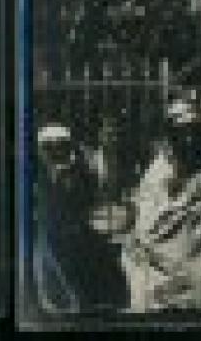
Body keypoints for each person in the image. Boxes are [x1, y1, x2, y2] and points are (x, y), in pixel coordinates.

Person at [122, 95, 201, 311]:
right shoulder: (159, 174)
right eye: (181, 132)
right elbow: (148, 232)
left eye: (195, 131)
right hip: (172, 297)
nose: (189, 139)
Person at [31, 124, 127, 313]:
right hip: (51, 239)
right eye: (51, 147)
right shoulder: (39, 178)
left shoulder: (80, 172)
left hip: (76, 238)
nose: (57, 152)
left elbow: (95, 198)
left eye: (62, 146)